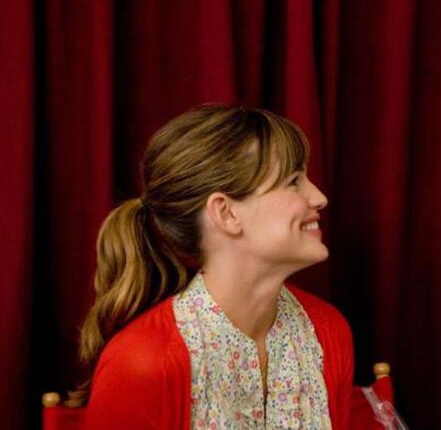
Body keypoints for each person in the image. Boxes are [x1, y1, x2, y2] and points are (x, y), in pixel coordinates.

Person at [75, 104, 353, 429]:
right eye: (293, 181)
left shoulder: (327, 331)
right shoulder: (141, 362)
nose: (319, 197)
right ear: (226, 213)